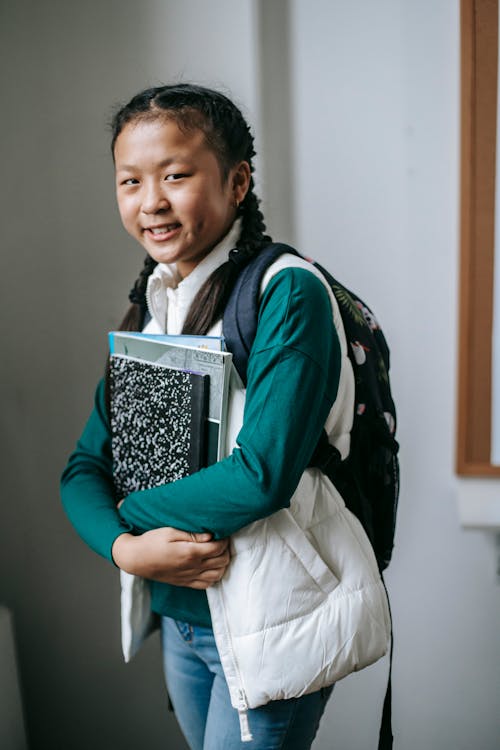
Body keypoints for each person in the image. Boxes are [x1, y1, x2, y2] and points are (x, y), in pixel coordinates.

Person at [61, 83, 390, 750]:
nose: (150, 200)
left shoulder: (285, 292)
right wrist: (129, 550)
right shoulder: (155, 303)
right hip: (181, 618)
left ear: (237, 181)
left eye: (176, 175)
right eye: (130, 180)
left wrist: (129, 517)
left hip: (274, 621)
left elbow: (260, 476)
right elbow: (83, 469)